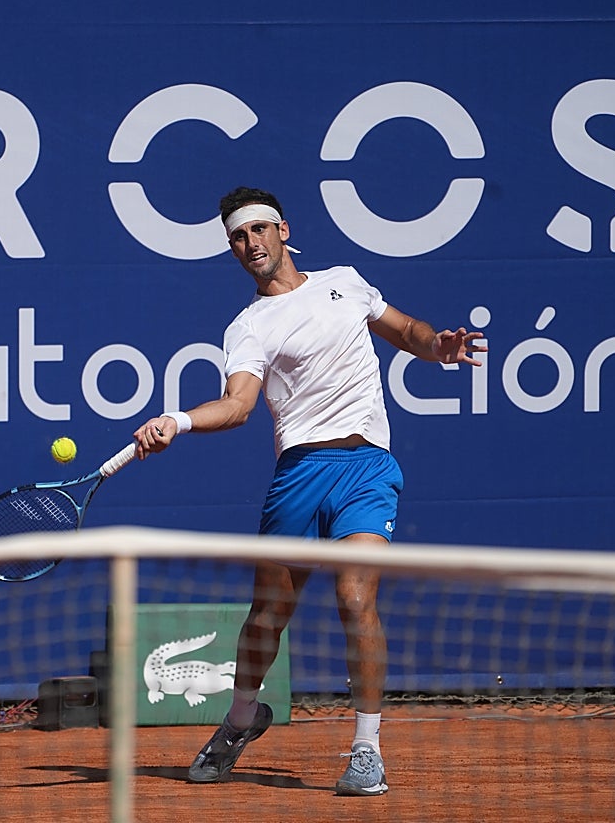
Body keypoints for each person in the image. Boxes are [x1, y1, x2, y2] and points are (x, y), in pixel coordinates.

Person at [132, 186, 486, 796]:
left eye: (258, 231)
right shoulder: (248, 326)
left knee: (355, 600)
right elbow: (239, 405)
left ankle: (367, 749)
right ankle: (242, 718)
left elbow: (404, 330)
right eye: (237, 239)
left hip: (368, 468)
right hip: (299, 473)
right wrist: (180, 419)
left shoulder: (344, 282)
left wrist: (437, 348)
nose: (249, 246)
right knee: (268, 616)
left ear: (283, 230)